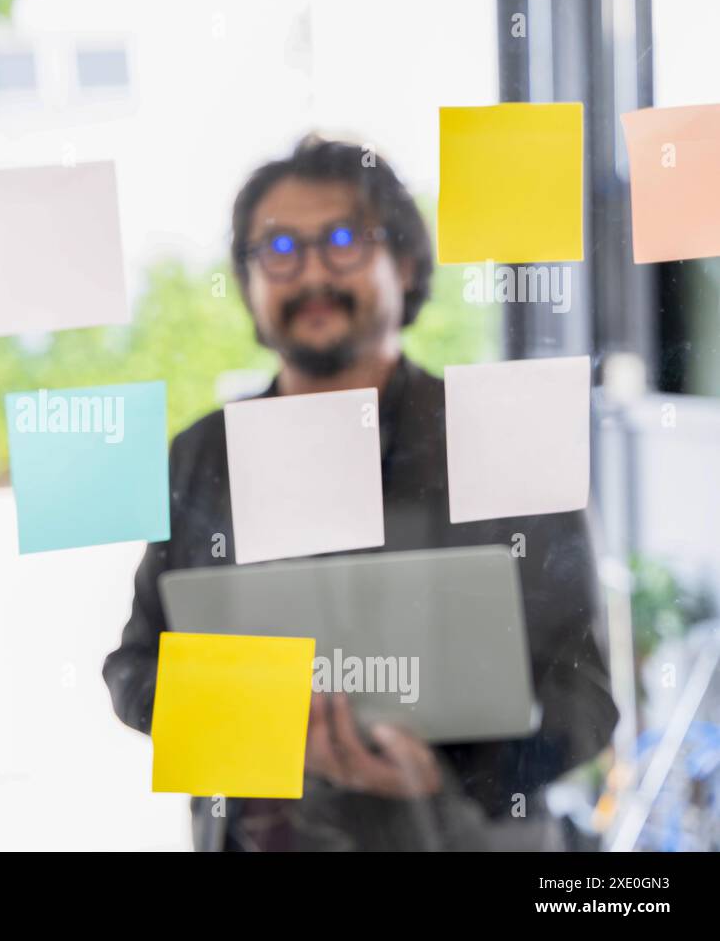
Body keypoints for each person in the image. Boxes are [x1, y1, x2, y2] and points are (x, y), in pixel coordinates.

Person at [102, 135, 618, 851]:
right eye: (277, 250)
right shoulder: (202, 456)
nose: (310, 271)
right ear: (248, 280)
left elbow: (589, 698)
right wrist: (262, 726)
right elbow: (135, 670)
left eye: (342, 240)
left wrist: (449, 776)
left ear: (403, 264)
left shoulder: (503, 442)